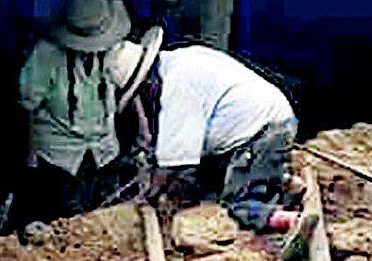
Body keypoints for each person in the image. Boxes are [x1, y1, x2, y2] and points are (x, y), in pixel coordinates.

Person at [107, 39, 302, 233]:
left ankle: (291, 220)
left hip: (262, 134)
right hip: (259, 127)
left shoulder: (176, 85)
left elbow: (173, 164)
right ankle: (279, 182)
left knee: (236, 209)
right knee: (207, 188)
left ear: (147, 83)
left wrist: (147, 194)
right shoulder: (179, 59)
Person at [18, 0, 130, 221]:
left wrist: (143, 128)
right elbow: (28, 105)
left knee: (104, 215)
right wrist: (31, 154)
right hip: (59, 152)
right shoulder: (45, 55)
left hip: (104, 149)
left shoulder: (116, 48)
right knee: (63, 221)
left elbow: (129, 83)